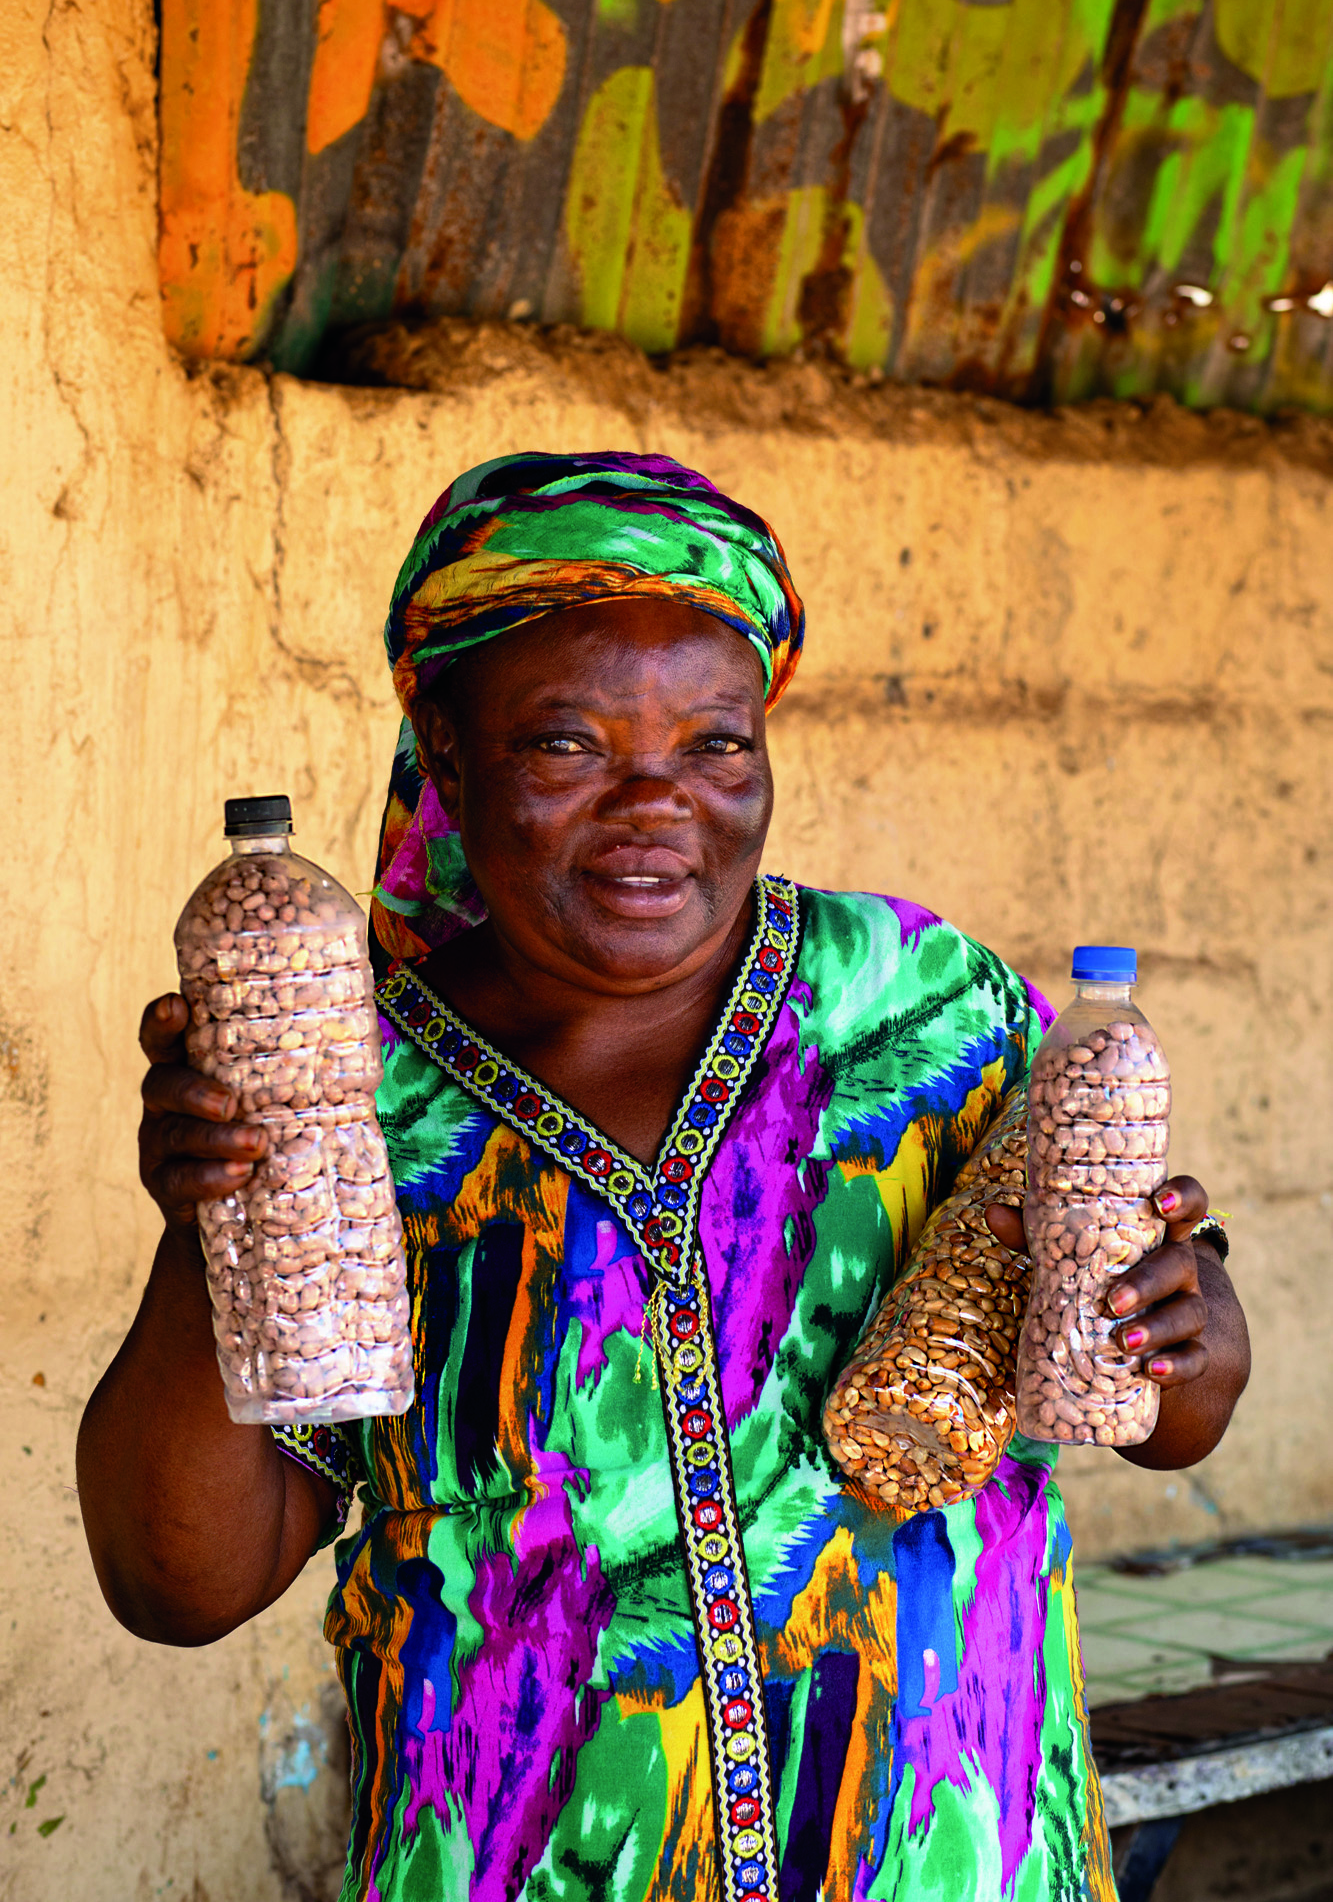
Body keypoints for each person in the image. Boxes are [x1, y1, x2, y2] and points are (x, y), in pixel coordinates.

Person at [79, 452, 1251, 1902]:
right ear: (444, 753)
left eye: (717, 746)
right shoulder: (345, 1093)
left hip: (948, 1860)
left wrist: (1192, 1342)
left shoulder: (923, 1016)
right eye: (568, 746)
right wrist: (209, 1218)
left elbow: (1157, 1414)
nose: (658, 804)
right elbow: (177, 1584)